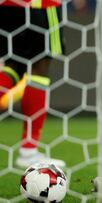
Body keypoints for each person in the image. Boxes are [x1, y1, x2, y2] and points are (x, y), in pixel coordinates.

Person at [0, 0, 66, 168]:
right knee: (39, 69)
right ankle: (28, 151)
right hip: (41, 5)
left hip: (8, 7)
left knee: (13, 67)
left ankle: (29, 151)